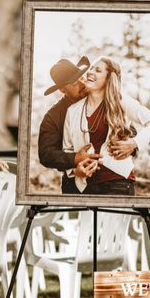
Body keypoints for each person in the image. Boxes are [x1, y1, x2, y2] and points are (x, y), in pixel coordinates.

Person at [62, 56, 150, 195]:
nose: (90, 72)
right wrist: (75, 171)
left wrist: (134, 143)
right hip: (85, 186)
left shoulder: (121, 101)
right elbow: (67, 149)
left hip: (118, 182)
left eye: (97, 70)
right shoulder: (73, 110)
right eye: (91, 68)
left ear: (108, 79)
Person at [37, 56, 101, 194]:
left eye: (81, 78)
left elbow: (128, 128)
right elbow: (46, 154)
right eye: (74, 83)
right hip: (74, 185)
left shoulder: (102, 98)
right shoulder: (52, 117)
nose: (82, 84)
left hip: (111, 182)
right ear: (62, 90)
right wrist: (75, 158)